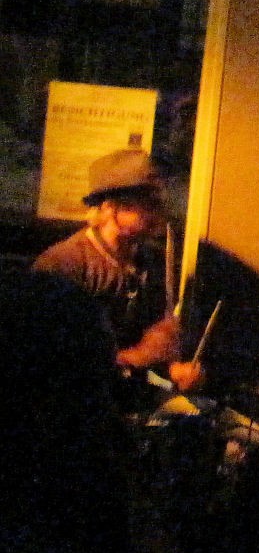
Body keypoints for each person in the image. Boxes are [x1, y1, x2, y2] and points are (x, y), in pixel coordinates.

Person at [33, 147, 202, 399]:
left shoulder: (149, 261)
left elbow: (152, 343)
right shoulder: (63, 264)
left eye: (158, 203)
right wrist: (135, 357)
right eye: (147, 204)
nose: (157, 214)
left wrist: (173, 369)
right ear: (111, 207)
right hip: (73, 402)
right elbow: (46, 357)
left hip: (125, 399)